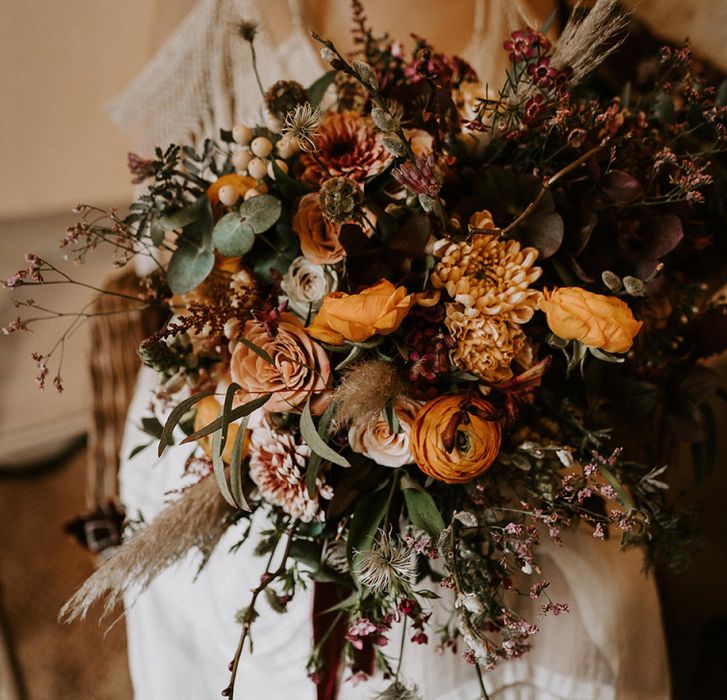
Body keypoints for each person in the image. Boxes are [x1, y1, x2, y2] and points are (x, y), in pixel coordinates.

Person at [112, 1, 671, 697]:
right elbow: (159, 250)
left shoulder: (524, 9)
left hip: (492, 399)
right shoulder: (217, 16)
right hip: (252, 383)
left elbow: (566, 196)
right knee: (262, 593)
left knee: (601, 591)